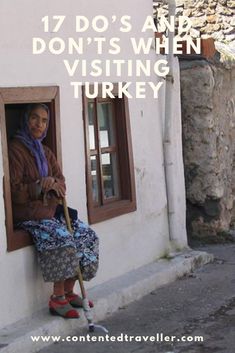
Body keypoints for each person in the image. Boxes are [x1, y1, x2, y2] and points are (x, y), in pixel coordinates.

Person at [8, 103, 99, 319]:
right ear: (25, 119)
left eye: (44, 120)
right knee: (62, 238)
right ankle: (57, 298)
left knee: (87, 236)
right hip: (28, 215)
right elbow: (13, 191)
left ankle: (68, 290)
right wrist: (39, 185)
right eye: (34, 118)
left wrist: (55, 185)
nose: (39, 124)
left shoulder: (45, 152)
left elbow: (62, 183)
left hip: (49, 212)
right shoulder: (15, 150)